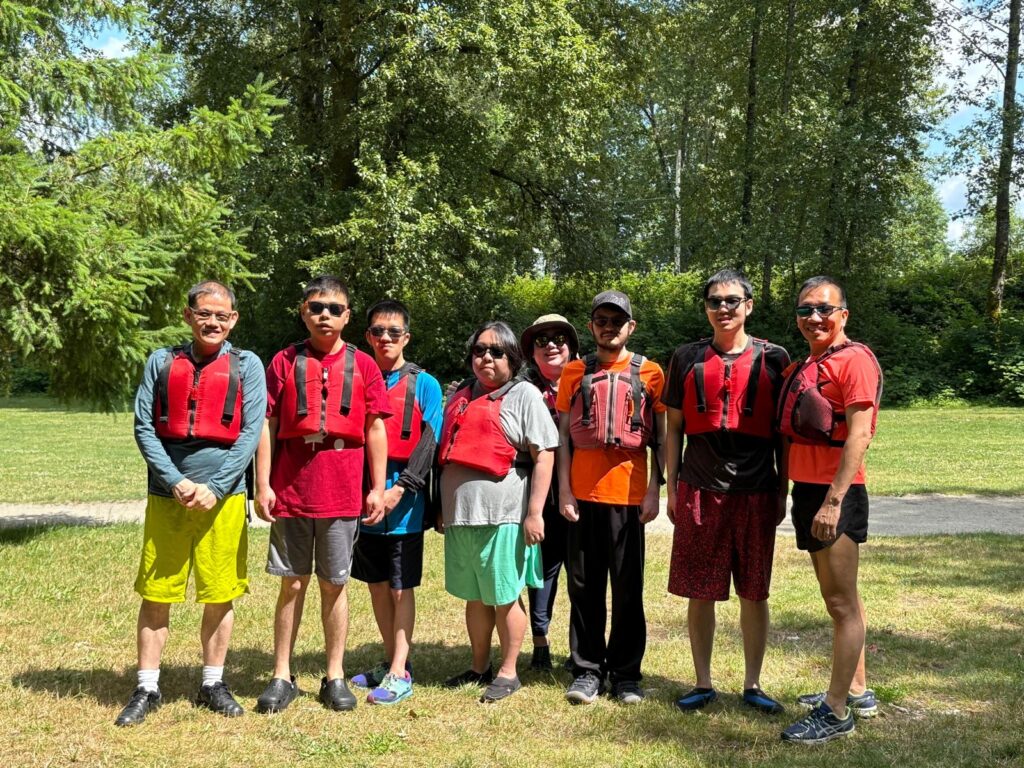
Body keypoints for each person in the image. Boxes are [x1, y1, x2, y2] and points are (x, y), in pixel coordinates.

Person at [117, 280, 267, 726]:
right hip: (169, 496)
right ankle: (146, 686)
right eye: (205, 313)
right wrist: (176, 480)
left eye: (222, 315)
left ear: (233, 320)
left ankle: (213, 682)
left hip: (223, 499)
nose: (213, 322)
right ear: (189, 316)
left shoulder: (247, 365)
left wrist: (216, 487)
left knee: (220, 593)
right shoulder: (161, 362)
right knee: (156, 592)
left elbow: (250, 431)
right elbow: (144, 426)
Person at [253, 276, 390, 714]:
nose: (324, 315)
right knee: (292, 583)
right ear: (303, 311)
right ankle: (280, 674)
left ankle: (334, 675)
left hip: (342, 488)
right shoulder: (283, 362)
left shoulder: (364, 365)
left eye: (334, 308)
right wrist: (263, 484)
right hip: (292, 489)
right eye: (316, 307)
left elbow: (375, 427)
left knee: (335, 583)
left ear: (348, 315)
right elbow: (267, 425)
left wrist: (377, 487)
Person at [662, 269, 790, 715]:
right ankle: (702, 681)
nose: (723, 308)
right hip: (700, 485)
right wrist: (672, 487)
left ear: (748, 305)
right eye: (715, 301)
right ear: (706, 308)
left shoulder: (775, 358)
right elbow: (673, 426)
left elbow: (782, 435)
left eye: (732, 301)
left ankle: (753, 683)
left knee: (755, 591)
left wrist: (783, 489)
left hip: (756, 488)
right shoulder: (686, 357)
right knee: (701, 588)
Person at [777, 276, 883, 744]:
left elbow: (860, 433)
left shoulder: (854, 360)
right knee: (840, 597)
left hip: (835, 492)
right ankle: (857, 688)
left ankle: (836, 711)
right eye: (805, 311)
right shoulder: (807, 363)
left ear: (843, 314)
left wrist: (834, 501)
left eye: (824, 309)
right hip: (808, 488)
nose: (814, 318)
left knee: (841, 603)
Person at [438, 321, 558, 703]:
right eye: (479, 350)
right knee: (475, 596)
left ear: (513, 358)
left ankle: (508, 671)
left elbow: (544, 455)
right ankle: (479, 666)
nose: (486, 357)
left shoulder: (524, 394)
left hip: (504, 513)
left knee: (505, 594)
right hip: (462, 516)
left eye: (496, 351)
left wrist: (535, 512)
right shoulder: (460, 394)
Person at [556, 290, 666, 705]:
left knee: (626, 588)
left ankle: (625, 674)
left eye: (617, 321)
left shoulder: (651, 373)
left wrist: (656, 487)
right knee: (583, 588)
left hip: (629, 496)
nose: (609, 327)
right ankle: (586, 671)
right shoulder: (573, 373)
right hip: (582, 496)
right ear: (591, 327)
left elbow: (662, 439)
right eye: (601, 320)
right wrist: (565, 490)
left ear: (630, 327)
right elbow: (564, 437)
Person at [348, 299, 443, 705]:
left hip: (405, 501)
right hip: (363, 496)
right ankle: (392, 662)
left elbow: (429, 441)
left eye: (393, 332)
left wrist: (399, 489)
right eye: (377, 332)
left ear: (406, 336)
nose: (385, 338)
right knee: (376, 584)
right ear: (367, 336)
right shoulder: (357, 376)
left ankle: (400, 671)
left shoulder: (425, 383)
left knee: (402, 589)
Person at [519, 314, 579, 671]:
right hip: (537, 497)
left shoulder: (589, 381)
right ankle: (540, 645)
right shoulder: (522, 390)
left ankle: (579, 651)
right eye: (542, 341)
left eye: (559, 337)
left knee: (583, 576)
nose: (551, 344)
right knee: (541, 573)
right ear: (531, 353)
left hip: (584, 498)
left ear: (571, 346)